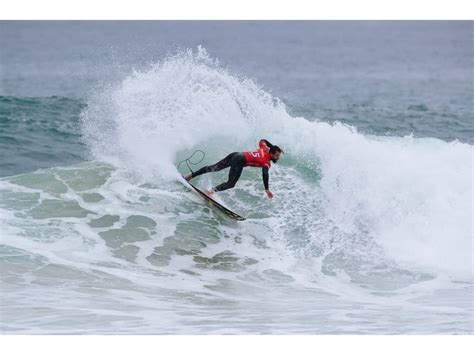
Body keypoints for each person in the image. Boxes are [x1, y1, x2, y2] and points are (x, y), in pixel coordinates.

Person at [184, 139, 283, 199]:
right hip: (240, 160)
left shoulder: (265, 148)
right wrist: (267, 189)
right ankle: (210, 192)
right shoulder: (265, 162)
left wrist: (272, 146)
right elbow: (265, 174)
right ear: (271, 154)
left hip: (236, 154)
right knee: (231, 183)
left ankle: (190, 176)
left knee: (213, 168)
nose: (278, 158)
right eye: (277, 156)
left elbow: (263, 140)